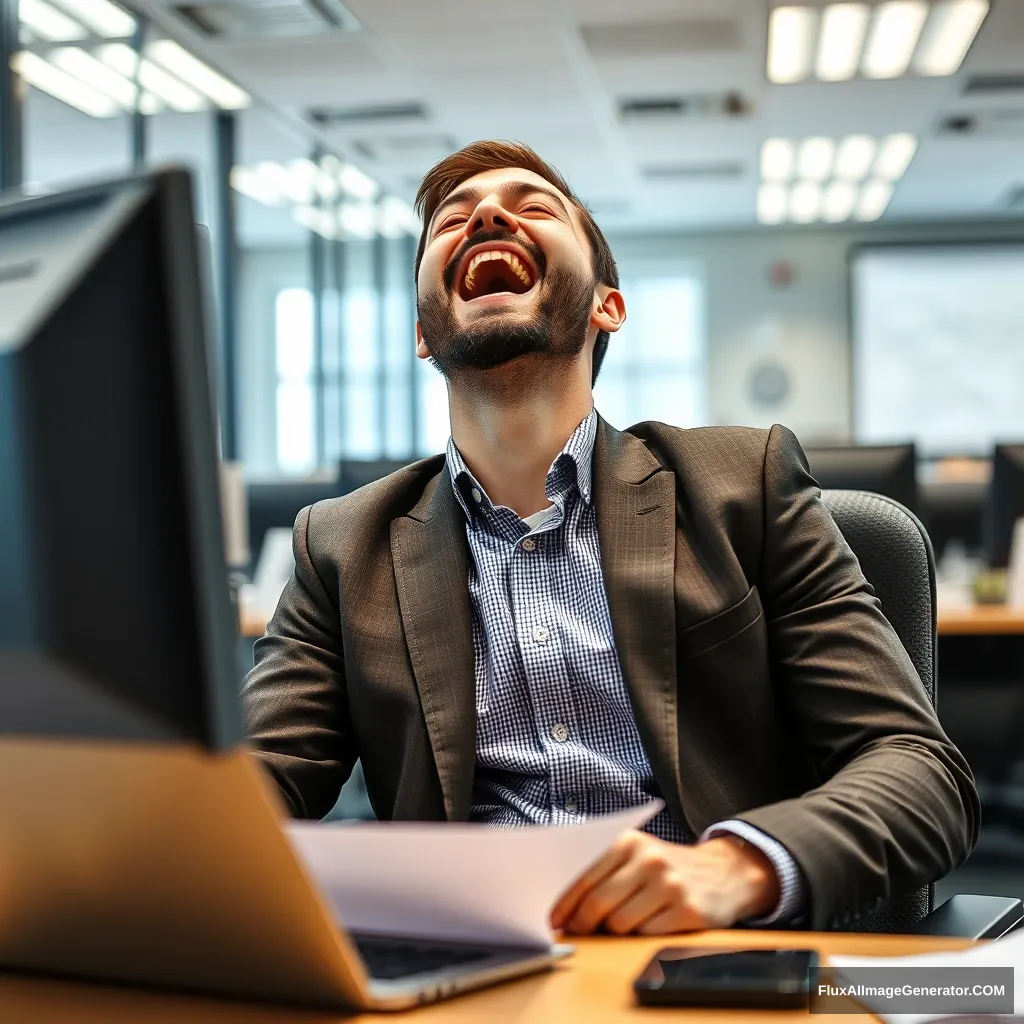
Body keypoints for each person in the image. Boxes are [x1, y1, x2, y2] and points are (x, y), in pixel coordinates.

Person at [242, 140, 978, 935]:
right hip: (470, 974)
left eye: (532, 207)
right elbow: (249, 790)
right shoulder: (343, 546)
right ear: (424, 331)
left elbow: (920, 772)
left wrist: (736, 867)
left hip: (713, 967)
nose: (487, 214)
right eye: (454, 219)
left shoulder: (742, 486)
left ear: (607, 305)